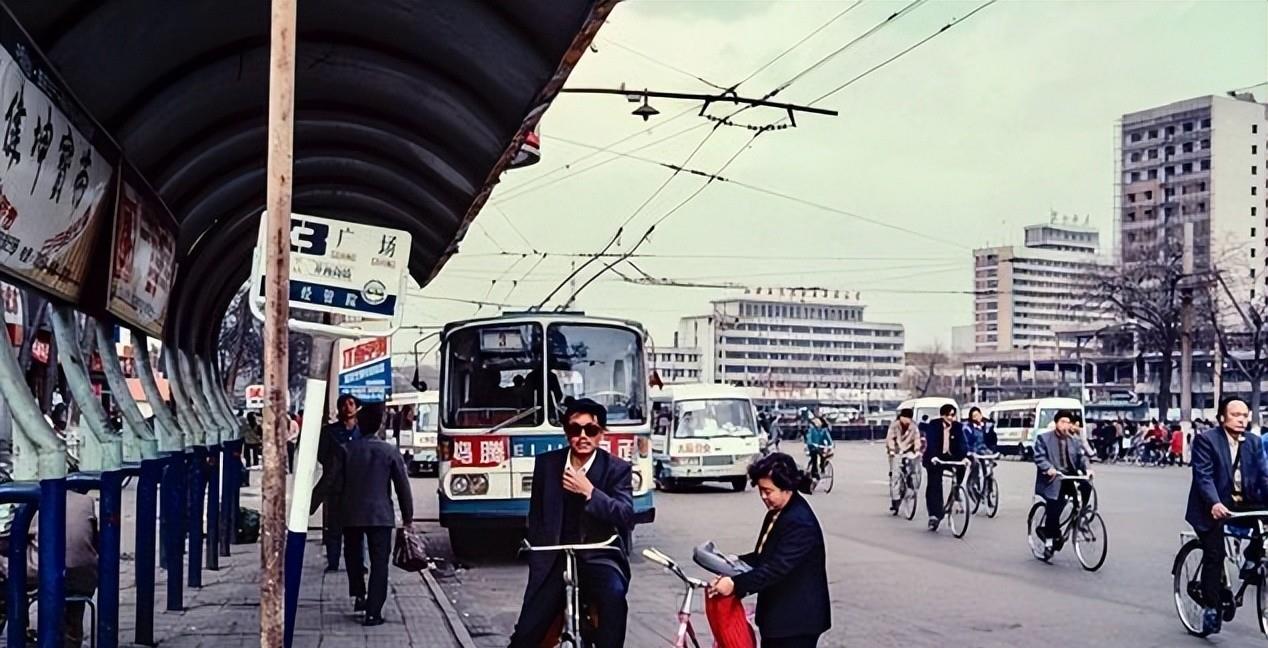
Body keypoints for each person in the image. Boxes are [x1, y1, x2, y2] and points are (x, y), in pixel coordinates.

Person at [510, 399, 635, 648]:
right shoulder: (547, 465)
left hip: (599, 556)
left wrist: (590, 491)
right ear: (567, 433)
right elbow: (536, 516)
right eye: (575, 429)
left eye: (590, 430)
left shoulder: (616, 469)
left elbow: (625, 515)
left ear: (601, 434)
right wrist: (536, 556)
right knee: (527, 630)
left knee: (614, 598)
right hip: (553, 558)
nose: (582, 436)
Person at [708, 453, 830, 647]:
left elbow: (775, 568)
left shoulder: (799, 522)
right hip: (778, 617)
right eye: (761, 491)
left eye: (768, 491)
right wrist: (730, 565)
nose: (764, 497)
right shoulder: (778, 513)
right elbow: (762, 557)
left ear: (787, 487)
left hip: (795, 622)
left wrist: (735, 584)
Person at [1187, 397, 1268, 634]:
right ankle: (1211, 607)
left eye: (1245, 415)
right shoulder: (1206, 440)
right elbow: (1203, 476)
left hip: (1244, 503)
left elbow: (1263, 476)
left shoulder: (1253, 442)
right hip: (1211, 506)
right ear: (1222, 417)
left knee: (1264, 528)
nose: (1241, 419)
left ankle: (1252, 558)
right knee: (1215, 554)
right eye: (1235, 415)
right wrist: (1213, 503)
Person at [334, 420, 414, 625]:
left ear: (360, 426)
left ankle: (359, 595)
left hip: (351, 514)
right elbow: (402, 487)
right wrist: (407, 517)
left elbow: (334, 483)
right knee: (380, 563)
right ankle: (373, 612)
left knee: (353, 556)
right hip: (380, 515)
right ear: (380, 425)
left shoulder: (346, 450)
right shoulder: (390, 451)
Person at [13, 490, 99, 647]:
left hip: (44, 574)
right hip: (83, 575)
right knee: (74, 575)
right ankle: (72, 637)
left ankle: (19, 627)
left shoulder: (31, 499)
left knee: (13, 572)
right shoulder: (86, 501)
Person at [311, 394, 362, 573]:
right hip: (336, 487)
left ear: (356, 407)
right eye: (344, 404)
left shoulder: (361, 432)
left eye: (351, 404)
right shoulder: (329, 432)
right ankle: (333, 561)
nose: (347, 408)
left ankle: (357, 562)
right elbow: (321, 454)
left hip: (357, 487)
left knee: (356, 529)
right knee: (334, 526)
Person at [1033, 410, 1093, 555]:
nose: (1065, 425)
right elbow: (1039, 457)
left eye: (1068, 422)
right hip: (1053, 478)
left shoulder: (1074, 440)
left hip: (1069, 476)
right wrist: (1049, 468)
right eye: (1062, 422)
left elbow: (1081, 458)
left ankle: (1081, 513)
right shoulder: (1044, 438)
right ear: (1056, 423)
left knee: (1086, 486)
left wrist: (1088, 469)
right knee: (1055, 507)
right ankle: (1048, 541)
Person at [921, 404, 967, 531]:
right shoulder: (934, 425)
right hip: (934, 456)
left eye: (953, 415)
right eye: (948, 415)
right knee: (935, 483)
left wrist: (964, 457)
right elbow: (932, 442)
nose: (951, 418)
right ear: (942, 415)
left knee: (962, 467)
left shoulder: (957, 427)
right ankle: (934, 515)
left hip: (949, 456)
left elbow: (962, 444)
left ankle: (956, 489)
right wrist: (934, 457)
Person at [885, 408, 921, 514]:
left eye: (909, 418)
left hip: (909, 450)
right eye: (904, 417)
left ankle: (910, 485)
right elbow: (890, 438)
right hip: (895, 451)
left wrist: (917, 450)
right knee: (895, 475)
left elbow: (917, 439)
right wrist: (891, 450)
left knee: (912, 469)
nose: (906, 420)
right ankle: (895, 501)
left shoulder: (914, 427)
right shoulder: (894, 425)